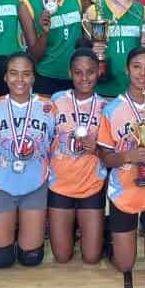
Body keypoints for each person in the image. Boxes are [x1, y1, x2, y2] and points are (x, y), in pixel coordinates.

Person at [0, 53, 56, 269]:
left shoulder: (48, 107)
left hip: (35, 185)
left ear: (33, 78)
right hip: (1, 184)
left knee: (31, 259)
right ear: (5, 77)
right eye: (13, 73)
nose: (19, 80)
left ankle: (22, 230)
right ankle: (10, 228)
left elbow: (55, 143)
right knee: (1, 261)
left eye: (26, 74)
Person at [98, 47, 145, 273]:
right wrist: (129, 156)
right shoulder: (111, 109)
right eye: (137, 67)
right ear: (127, 70)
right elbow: (105, 158)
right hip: (124, 191)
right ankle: (110, 243)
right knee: (125, 265)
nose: (143, 73)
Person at [47, 49, 107, 265]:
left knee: (91, 257)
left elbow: (112, 153)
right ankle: (72, 227)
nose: (84, 78)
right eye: (78, 72)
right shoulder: (56, 101)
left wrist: (97, 149)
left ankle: (100, 229)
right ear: (70, 73)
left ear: (99, 72)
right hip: (60, 185)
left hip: (91, 185)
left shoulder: (105, 107)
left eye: (90, 72)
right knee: (62, 257)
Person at [25, 0, 84, 96]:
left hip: (77, 78)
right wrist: (45, 33)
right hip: (46, 79)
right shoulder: (28, 4)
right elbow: (34, 56)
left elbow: (88, 38)